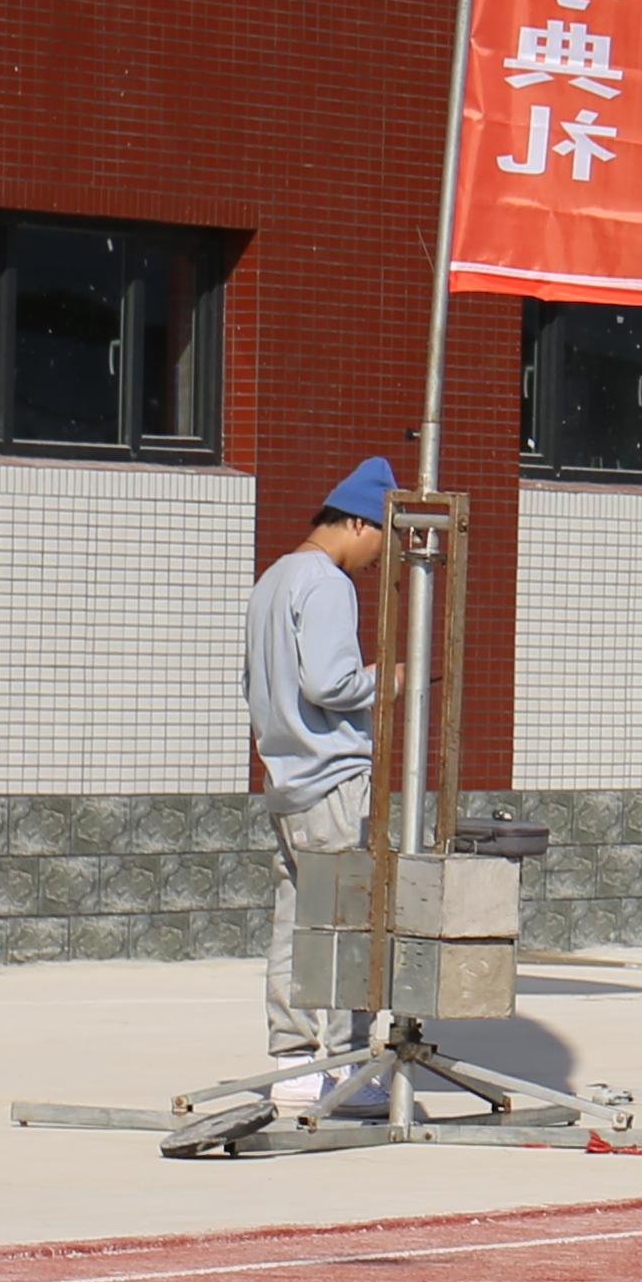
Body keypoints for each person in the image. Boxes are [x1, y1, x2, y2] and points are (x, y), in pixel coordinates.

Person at [247, 462, 390, 1090]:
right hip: (331, 779)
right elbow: (331, 683)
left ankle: (294, 1062)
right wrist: (390, 681)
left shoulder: (273, 579)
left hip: (286, 777)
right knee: (346, 922)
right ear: (358, 522)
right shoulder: (328, 584)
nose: (379, 558)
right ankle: (348, 1063)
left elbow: (253, 683)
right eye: (380, 538)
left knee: (295, 921)